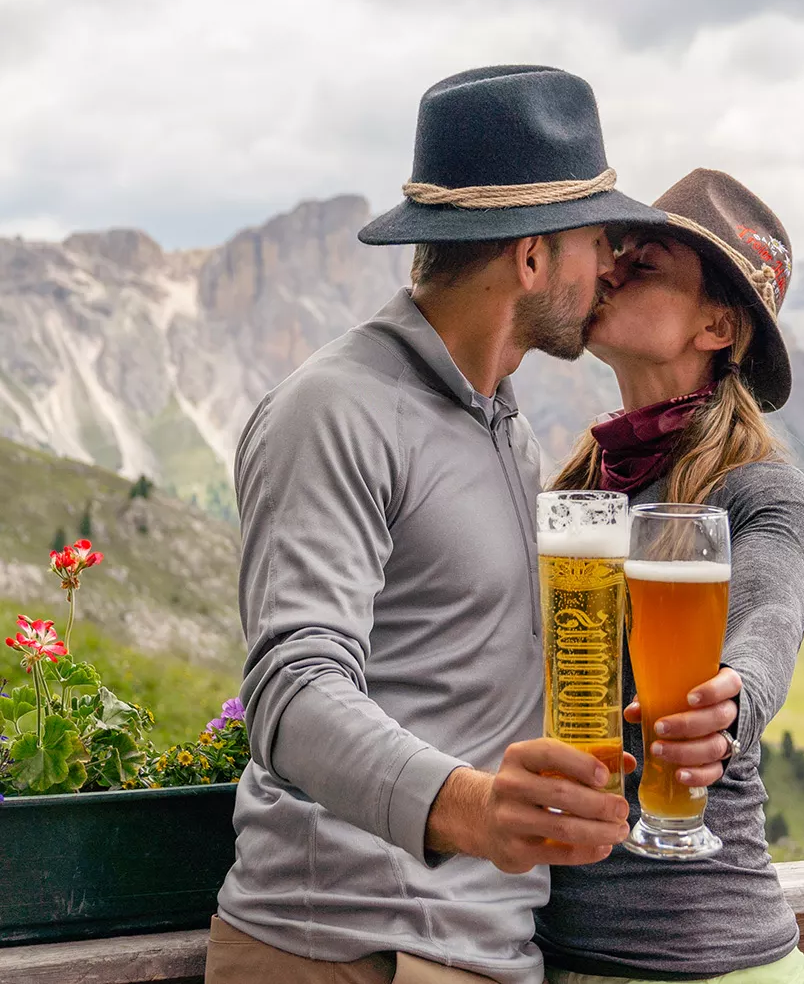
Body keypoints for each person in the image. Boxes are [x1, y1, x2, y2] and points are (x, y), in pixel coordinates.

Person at [209, 66, 670, 984]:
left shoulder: (509, 431)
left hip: (484, 953)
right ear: (531, 256)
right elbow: (293, 691)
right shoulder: (335, 408)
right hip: (343, 952)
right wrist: (473, 809)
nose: (612, 262)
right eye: (599, 236)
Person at [537, 169, 804, 983]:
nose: (612, 270)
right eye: (618, 254)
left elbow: (771, 621)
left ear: (718, 325)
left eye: (648, 264)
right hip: (558, 947)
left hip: (703, 954)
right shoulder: (580, 488)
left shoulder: (762, 489)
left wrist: (730, 702)